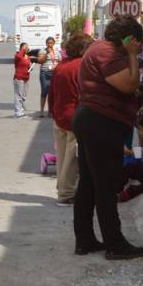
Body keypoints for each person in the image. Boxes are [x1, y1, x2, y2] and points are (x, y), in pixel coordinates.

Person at [71, 16, 143, 260]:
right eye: (137, 42)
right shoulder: (107, 52)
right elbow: (128, 85)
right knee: (106, 186)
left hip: (91, 120)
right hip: (101, 123)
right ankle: (115, 244)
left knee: (90, 184)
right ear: (128, 38)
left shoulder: (99, 48)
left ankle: (85, 240)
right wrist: (133, 55)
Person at [49, 32, 91, 206]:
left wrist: (53, 111)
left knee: (62, 157)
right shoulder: (82, 66)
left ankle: (62, 189)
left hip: (60, 116)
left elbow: (52, 92)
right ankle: (66, 195)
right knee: (72, 159)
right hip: (75, 117)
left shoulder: (61, 66)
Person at [36, 36, 60, 118]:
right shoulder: (43, 51)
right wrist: (47, 53)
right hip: (45, 73)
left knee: (52, 93)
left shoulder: (57, 51)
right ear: (46, 43)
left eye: (51, 43)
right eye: (48, 43)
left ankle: (50, 111)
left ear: (54, 43)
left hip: (54, 74)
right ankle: (42, 111)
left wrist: (57, 65)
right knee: (44, 91)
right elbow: (40, 61)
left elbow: (60, 60)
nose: (50, 44)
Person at [13, 43, 31, 119]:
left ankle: (21, 111)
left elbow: (28, 66)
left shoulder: (27, 57)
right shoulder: (18, 56)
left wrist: (31, 68)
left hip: (26, 78)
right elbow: (19, 56)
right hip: (19, 78)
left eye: (27, 47)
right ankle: (18, 113)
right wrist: (22, 49)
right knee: (18, 95)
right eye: (25, 47)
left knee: (24, 95)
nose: (27, 48)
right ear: (21, 49)